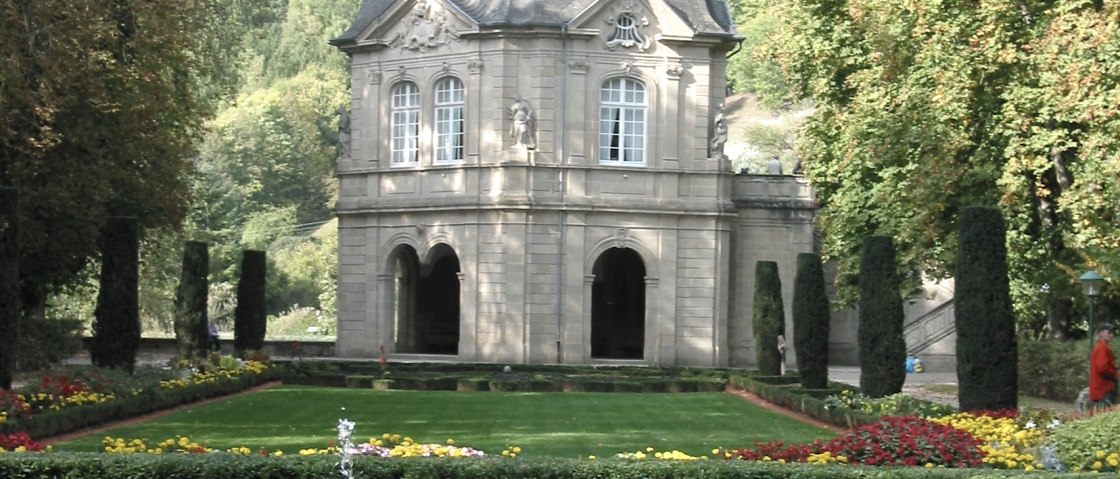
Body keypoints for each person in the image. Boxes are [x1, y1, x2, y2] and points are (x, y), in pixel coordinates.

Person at [1090, 322, 1117, 408]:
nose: (1111, 335)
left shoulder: (1100, 346)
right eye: (1109, 332)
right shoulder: (1102, 347)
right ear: (1101, 333)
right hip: (1104, 389)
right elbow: (1102, 367)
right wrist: (1116, 374)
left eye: (1112, 333)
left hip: (1100, 388)